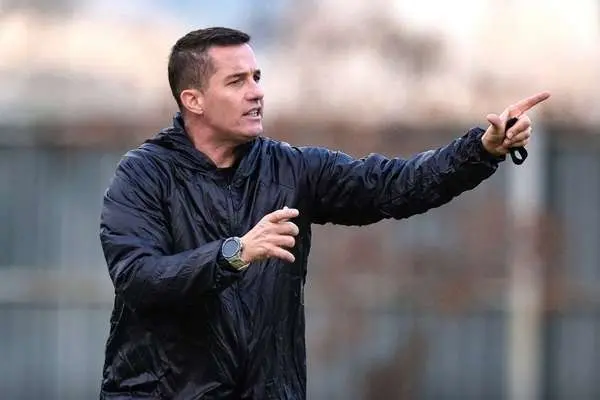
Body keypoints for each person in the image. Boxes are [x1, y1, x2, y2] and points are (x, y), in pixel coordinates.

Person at [98, 26, 550, 399]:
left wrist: (480, 150)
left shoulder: (291, 168)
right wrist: (233, 254)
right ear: (193, 100)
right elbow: (138, 277)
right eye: (237, 82)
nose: (256, 93)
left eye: (257, 77)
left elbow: (395, 185)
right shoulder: (143, 174)